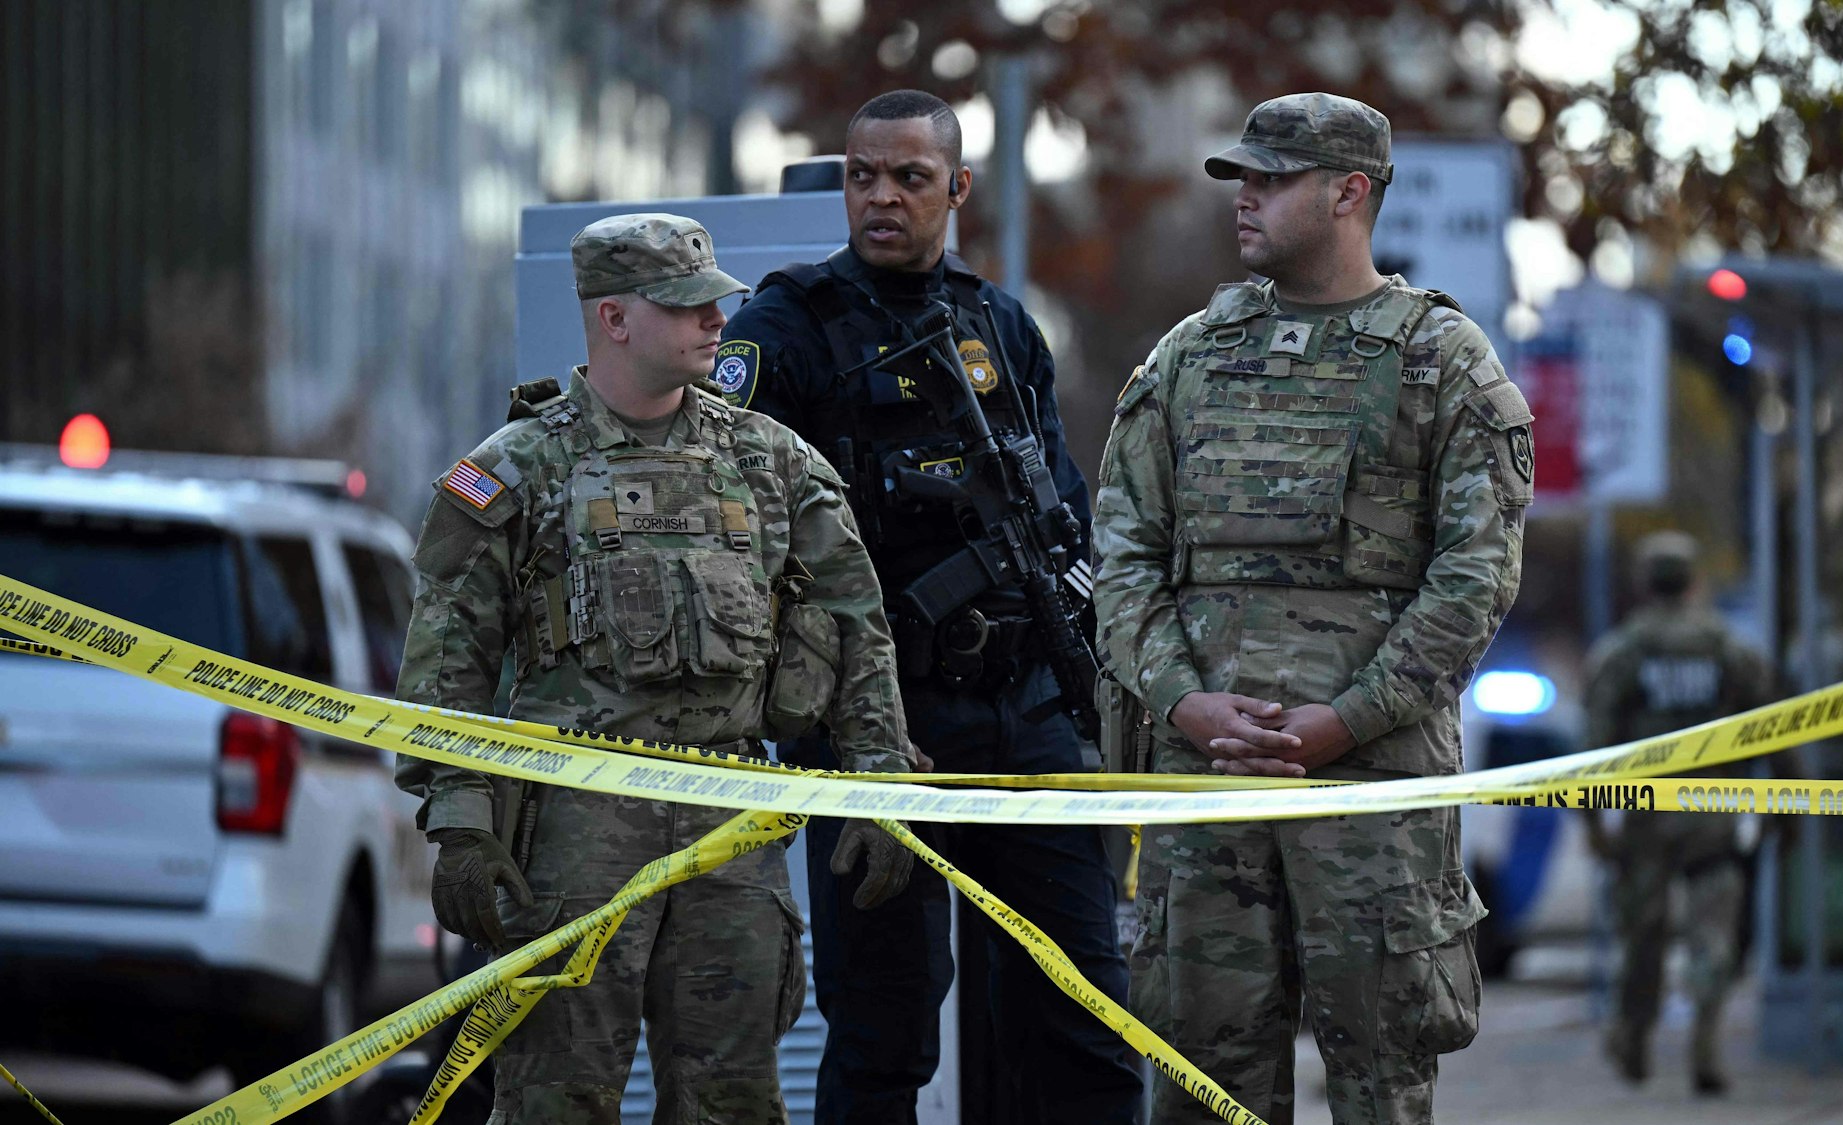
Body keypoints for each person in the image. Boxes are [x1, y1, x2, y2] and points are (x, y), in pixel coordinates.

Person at [394, 213, 918, 1125]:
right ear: (613, 319)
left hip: (730, 818)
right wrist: (462, 826)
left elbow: (856, 622)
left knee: (731, 1100)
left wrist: (880, 779)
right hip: (572, 830)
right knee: (558, 1095)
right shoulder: (517, 469)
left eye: (716, 304)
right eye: (685, 308)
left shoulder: (772, 462)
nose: (714, 323)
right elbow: (450, 654)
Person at [1095, 92, 1535, 1123]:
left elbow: (1474, 577)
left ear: (1349, 193)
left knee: (1381, 1082)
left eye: (1269, 179)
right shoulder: (1188, 358)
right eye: (1239, 179)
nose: (1242, 200)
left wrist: (1349, 719)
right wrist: (1183, 703)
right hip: (1205, 790)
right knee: (1200, 1084)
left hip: (1369, 794)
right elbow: (1121, 555)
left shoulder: (1441, 362)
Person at [717, 90, 1143, 1124]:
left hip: (1023, 714)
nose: (881, 197)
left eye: (909, 177)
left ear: (955, 189)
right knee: (881, 1032)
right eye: (863, 175)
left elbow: (1063, 508)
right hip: (877, 727)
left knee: (1083, 1010)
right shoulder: (787, 325)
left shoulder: (997, 324)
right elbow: (732, 516)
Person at [1582, 530, 1775, 1095]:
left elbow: (1595, 745)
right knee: (1712, 932)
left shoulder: (1622, 651)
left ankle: (1633, 1035)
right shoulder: (1729, 648)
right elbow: (1776, 729)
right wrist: (1783, 807)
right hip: (1714, 814)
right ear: (1694, 581)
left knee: (1643, 932)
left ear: (1644, 584)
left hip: (1644, 819)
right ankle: (1706, 1043)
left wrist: (1594, 823)